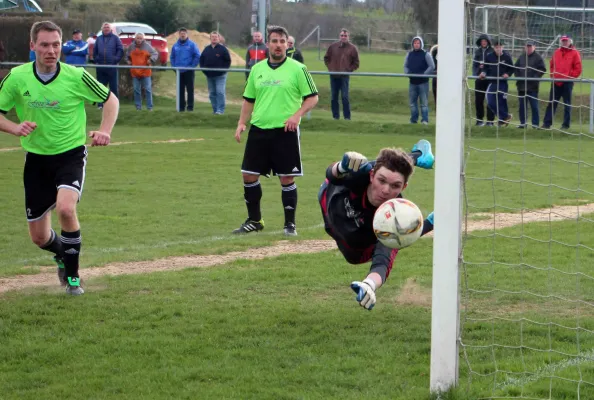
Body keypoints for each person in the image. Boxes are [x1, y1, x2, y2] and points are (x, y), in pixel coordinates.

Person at [0, 21, 119, 295]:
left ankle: (73, 279)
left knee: (66, 209)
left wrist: (105, 130)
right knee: (39, 237)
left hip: (70, 156)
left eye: (56, 45)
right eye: (44, 45)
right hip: (37, 160)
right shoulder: (17, 78)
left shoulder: (75, 76)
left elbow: (110, 100)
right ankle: (61, 253)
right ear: (33, 46)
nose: (51, 51)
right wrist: (15, 128)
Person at [318, 141, 435, 310]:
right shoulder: (363, 174)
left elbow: (382, 261)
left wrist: (369, 285)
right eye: (381, 181)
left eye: (395, 186)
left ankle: (430, 222)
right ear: (372, 177)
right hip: (327, 201)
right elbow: (332, 174)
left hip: (355, 250)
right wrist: (342, 166)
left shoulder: (394, 217)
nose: (386, 190)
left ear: (404, 187)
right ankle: (418, 155)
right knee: (363, 165)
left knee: (398, 237)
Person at [233, 25, 318, 236]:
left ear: (287, 44)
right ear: (267, 44)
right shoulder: (257, 69)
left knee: (287, 178)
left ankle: (290, 225)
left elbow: (313, 97)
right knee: (248, 175)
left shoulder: (298, 69)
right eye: (274, 41)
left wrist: (296, 116)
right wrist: (242, 122)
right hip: (259, 130)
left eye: (281, 41)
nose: (278, 45)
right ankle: (255, 220)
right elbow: (248, 99)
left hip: (285, 132)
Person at [542, 35, 582, 130]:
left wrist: (569, 77)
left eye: (566, 41)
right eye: (563, 41)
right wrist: (553, 75)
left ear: (570, 42)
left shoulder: (575, 53)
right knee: (552, 103)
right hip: (556, 82)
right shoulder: (556, 52)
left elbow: (578, 68)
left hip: (567, 83)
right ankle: (547, 124)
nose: (564, 42)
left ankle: (565, 125)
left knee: (567, 104)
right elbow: (551, 65)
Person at [324, 29, 360, 120]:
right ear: (339, 36)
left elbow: (356, 63)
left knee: (345, 97)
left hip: (344, 77)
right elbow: (326, 58)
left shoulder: (352, 48)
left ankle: (347, 117)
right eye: (342, 35)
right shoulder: (333, 47)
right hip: (333, 76)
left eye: (345, 36)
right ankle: (335, 117)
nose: (343, 37)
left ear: (348, 37)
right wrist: (331, 68)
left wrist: (348, 70)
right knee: (333, 97)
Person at [480, 39, 514, 126]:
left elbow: (512, 68)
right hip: (493, 82)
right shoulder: (489, 56)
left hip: (503, 83)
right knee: (490, 102)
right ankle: (505, 117)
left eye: (500, 47)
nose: (498, 49)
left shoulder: (507, 57)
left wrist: (507, 74)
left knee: (502, 101)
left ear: (503, 47)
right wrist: (483, 72)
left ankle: (503, 119)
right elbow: (485, 67)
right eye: (496, 47)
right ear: (494, 48)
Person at [514, 40, 546, 129]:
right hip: (521, 87)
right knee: (522, 107)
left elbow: (542, 69)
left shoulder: (538, 57)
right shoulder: (521, 57)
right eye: (527, 46)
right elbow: (515, 68)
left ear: (534, 47)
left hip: (533, 87)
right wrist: (518, 77)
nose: (528, 48)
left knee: (534, 107)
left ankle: (535, 124)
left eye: (530, 46)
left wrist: (534, 77)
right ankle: (523, 123)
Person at [403, 36, 435, 125]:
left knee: (424, 103)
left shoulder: (426, 54)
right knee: (412, 103)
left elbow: (431, 66)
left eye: (418, 43)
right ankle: (413, 120)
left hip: (423, 83)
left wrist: (424, 74)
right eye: (415, 43)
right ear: (412, 44)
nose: (416, 45)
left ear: (421, 44)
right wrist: (408, 73)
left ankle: (425, 120)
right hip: (412, 83)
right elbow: (405, 66)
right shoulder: (409, 54)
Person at [199, 31, 231, 115]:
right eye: (212, 37)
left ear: (219, 38)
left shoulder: (223, 49)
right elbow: (201, 60)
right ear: (210, 38)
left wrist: (223, 71)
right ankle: (215, 109)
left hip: (220, 76)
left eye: (216, 37)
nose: (214, 38)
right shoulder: (207, 49)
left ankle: (220, 110)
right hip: (209, 75)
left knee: (220, 92)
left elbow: (228, 61)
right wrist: (204, 70)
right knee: (212, 93)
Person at [93, 22, 123, 108]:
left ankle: (115, 105)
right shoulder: (99, 39)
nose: (106, 29)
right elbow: (95, 51)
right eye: (104, 27)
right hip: (101, 67)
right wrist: (97, 59)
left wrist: (115, 59)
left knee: (113, 87)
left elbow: (120, 50)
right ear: (102, 29)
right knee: (100, 86)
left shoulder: (115, 38)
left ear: (111, 29)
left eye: (107, 27)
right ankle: (100, 104)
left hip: (112, 67)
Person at [170, 27, 200, 112]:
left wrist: (192, 66)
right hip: (179, 71)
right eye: (181, 33)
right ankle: (181, 107)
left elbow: (197, 55)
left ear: (187, 34)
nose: (182, 35)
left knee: (190, 90)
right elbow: (172, 57)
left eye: (184, 33)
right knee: (180, 90)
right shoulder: (175, 46)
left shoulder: (192, 45)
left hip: (189, 71)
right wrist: (173, 67)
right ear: (179, 34)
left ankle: (190, 107)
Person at [126, 32, 158, 111]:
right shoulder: (131, 47)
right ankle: (138, 107)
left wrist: (150, 60)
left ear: (143, 39)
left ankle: (149, 107)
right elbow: (126, 56)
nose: (139, 40)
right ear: (135, 38)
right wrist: (128, 61)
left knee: (147, 89)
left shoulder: (147, 46)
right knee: (136, 90)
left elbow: (155, 54)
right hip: (135, 72)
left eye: (141, 38)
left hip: (145, 72)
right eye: (138, 38)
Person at [473, 34, 495, 126]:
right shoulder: (477, 52)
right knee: (478, 100)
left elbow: (493, 65)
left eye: (485, 41)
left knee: (490, 100)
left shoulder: (492, 52)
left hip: (489, 80)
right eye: (482, 41)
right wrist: (477, 74)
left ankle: (490, 121)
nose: (483, 42)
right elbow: (475, 65)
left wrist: (486, 71)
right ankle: (479, 120)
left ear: (488, 42)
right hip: (479, 80)